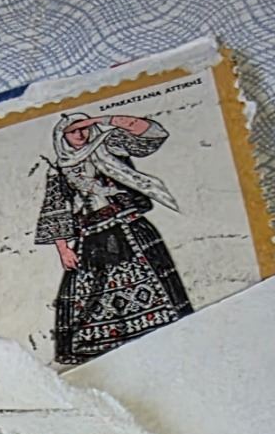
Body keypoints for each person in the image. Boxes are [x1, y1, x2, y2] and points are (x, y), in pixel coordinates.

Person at [36, 109, 191, 363]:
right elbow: (55, 211)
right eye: (73, 131)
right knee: (94, 293)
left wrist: (100, 120)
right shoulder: (60, 170)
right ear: (62, 137)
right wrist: (63, 249)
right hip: (91, 239)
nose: (80, 134)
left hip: (130, 227)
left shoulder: (110, 147)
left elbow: (153, 133)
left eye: (84, 128)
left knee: (153, 279)